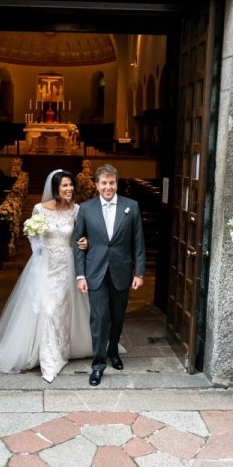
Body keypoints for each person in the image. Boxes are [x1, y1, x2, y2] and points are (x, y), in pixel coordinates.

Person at [0, 170, 93, 382]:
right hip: (44, 264)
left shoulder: (76, 210)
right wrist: (35, 239)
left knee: (61, 309)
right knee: (46, 308)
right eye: (65, 185)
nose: (69, 189)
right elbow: (33, 238)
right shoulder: (39, 209)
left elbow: (80, 237)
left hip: (66, 266)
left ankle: (61, 350)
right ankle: (48, 357)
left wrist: (85, 242)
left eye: (71, 185)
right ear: (55, 188)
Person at [73, 164, 145, 386]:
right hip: (95, 272)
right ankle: (98, 365)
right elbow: (78, 244)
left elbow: (138, 242)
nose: (108, 187)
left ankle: (113, 351)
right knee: (99, 319)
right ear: (96, 185)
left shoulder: (131, 207)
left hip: (121, 272)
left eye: (111, 182)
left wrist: (139, 272)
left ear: (117, 183)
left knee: (117, 317)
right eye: (103, 183)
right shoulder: (85, 209)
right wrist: (80, 276)